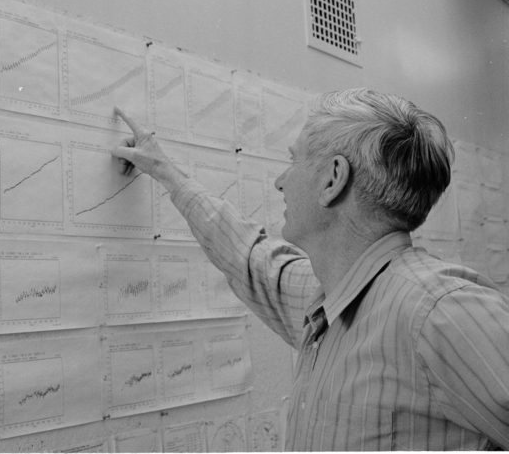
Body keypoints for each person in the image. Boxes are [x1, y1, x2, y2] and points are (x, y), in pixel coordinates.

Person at [112, 88, 509, 450]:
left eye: (293, 160)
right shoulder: (327, 297)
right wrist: (166, 172)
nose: (281, 182)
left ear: (333, 179)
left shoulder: (438, 311)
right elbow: (250, 256)